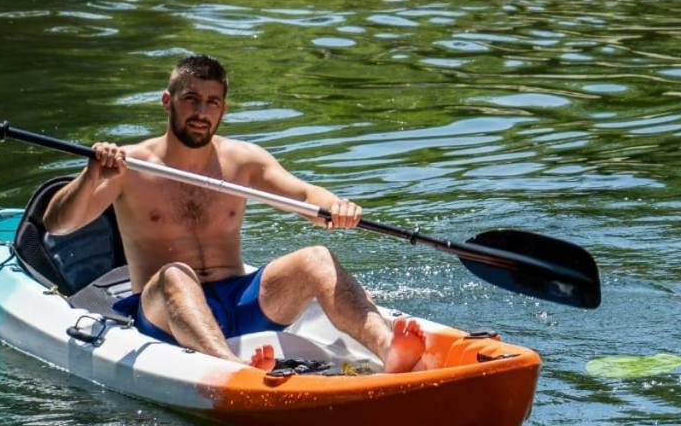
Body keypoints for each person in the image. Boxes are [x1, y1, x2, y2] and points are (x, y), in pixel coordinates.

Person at [42, 54, 425, 373]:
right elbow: (59, 224)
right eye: (191, 98)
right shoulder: (131, 165)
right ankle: (234, 372)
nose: (201, 111)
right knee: (176, 275)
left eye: (212, 102)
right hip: (166, 314)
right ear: (167, 101)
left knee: (316, 258)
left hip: (239, 301)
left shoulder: (241, 160)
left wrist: (335, 206)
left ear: (223, 108)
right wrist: (91, 175)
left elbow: (307, 196)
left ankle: (388, 348)